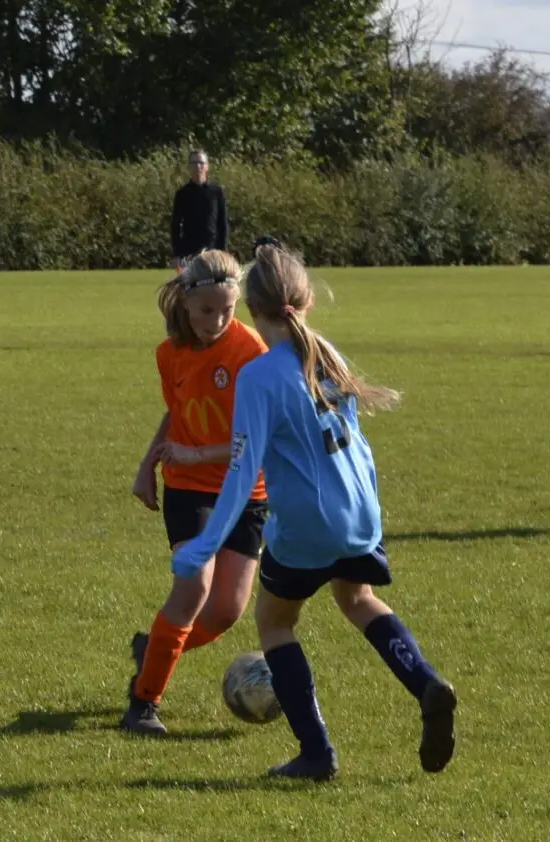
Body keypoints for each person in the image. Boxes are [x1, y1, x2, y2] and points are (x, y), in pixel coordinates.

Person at [170, 243, 457, 781]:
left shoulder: (258, 375)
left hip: (305, 524)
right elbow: (362, 449)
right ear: (305, 302)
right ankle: (426, 684)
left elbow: (241, 471)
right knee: (358, 598)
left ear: (253, 311)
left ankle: (316, 753)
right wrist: (370, 517)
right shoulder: (327, 353)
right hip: (359, 514)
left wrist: (204, 548)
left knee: (275, 622)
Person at [123, 249, 269, 735]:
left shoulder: (250, 353)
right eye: (207, 309)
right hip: (189, 489)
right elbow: (176, 412)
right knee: (194, 585)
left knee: (226, 611)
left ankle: (154, 650)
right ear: (186, 304)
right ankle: (144, 704)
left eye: (228, 309)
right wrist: (148, 466)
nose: (218, 320)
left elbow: (257, 439)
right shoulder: (170, 355)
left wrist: (197, 452)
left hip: (246, 487)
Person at [170, 150, 229, 272]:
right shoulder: (182, 194)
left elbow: (222, 223)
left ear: (207, 166)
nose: (198, 166)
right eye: (194, 163)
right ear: (189, 167)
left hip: (213, 251)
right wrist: (177, 254)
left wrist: (223, 252)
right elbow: (175, 225)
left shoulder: (217, 192)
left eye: (201, 163)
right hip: (188, 252)